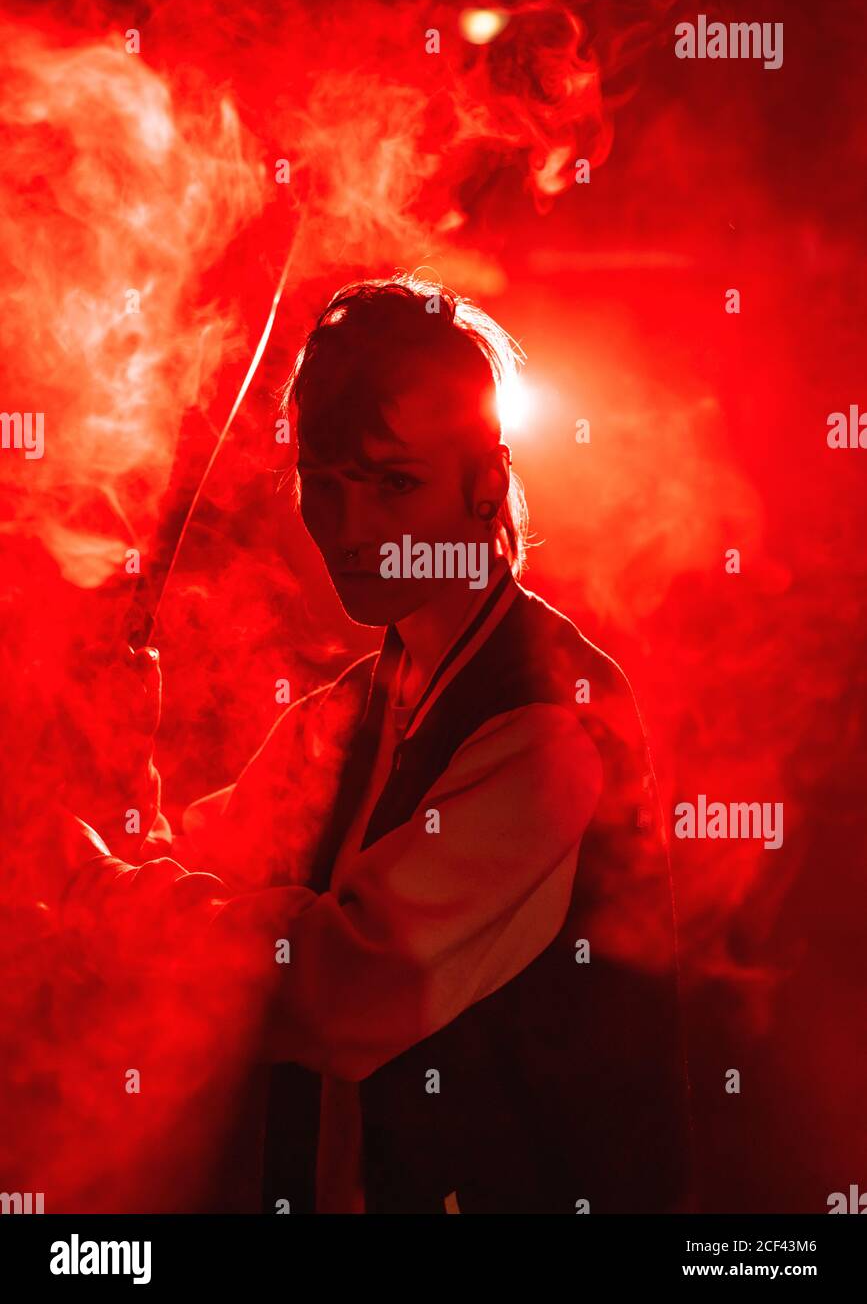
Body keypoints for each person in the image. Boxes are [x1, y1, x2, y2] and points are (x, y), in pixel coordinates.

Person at [49, 274, 693, 1214]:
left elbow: (332, 994)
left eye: (394, 483)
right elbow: (190, 907)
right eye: (323, 482)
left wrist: (82, 886)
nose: (349, 530)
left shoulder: (551, 724)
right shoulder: (341, 713)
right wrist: (118, 758)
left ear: (485, 483)